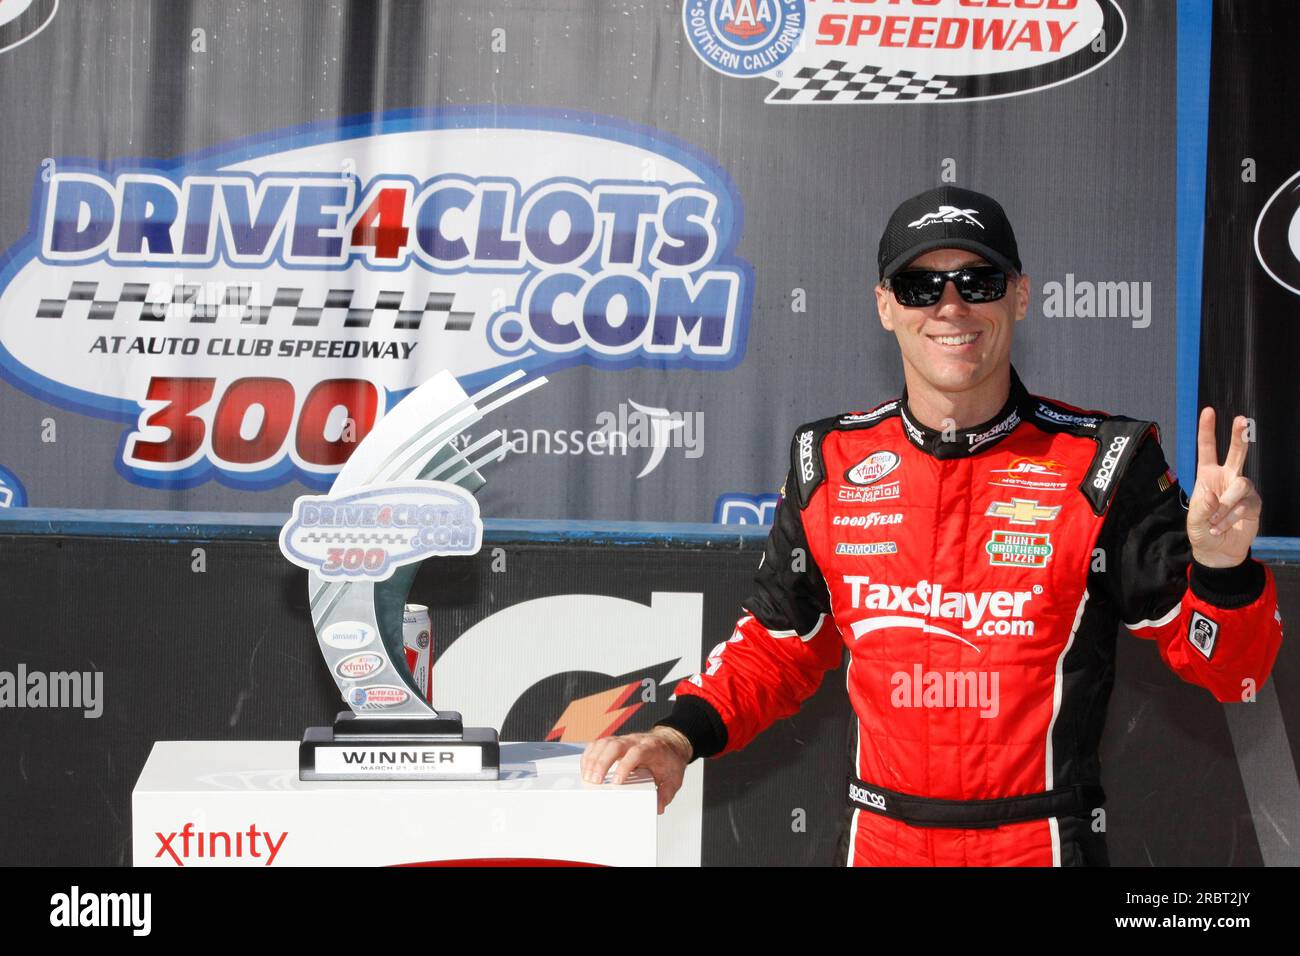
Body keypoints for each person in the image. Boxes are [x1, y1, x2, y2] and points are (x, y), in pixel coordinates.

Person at [580, 185, 1285, 866]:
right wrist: (678, 735)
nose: (951, 306)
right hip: (880, 840)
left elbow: (1237, 673)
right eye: (921, 287)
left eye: (978, 281)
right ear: (885, 307)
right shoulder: (828, 460)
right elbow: (779, 643)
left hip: (1035, 843)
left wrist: (1223, 570)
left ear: (1020, 294)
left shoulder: (1104, 462)